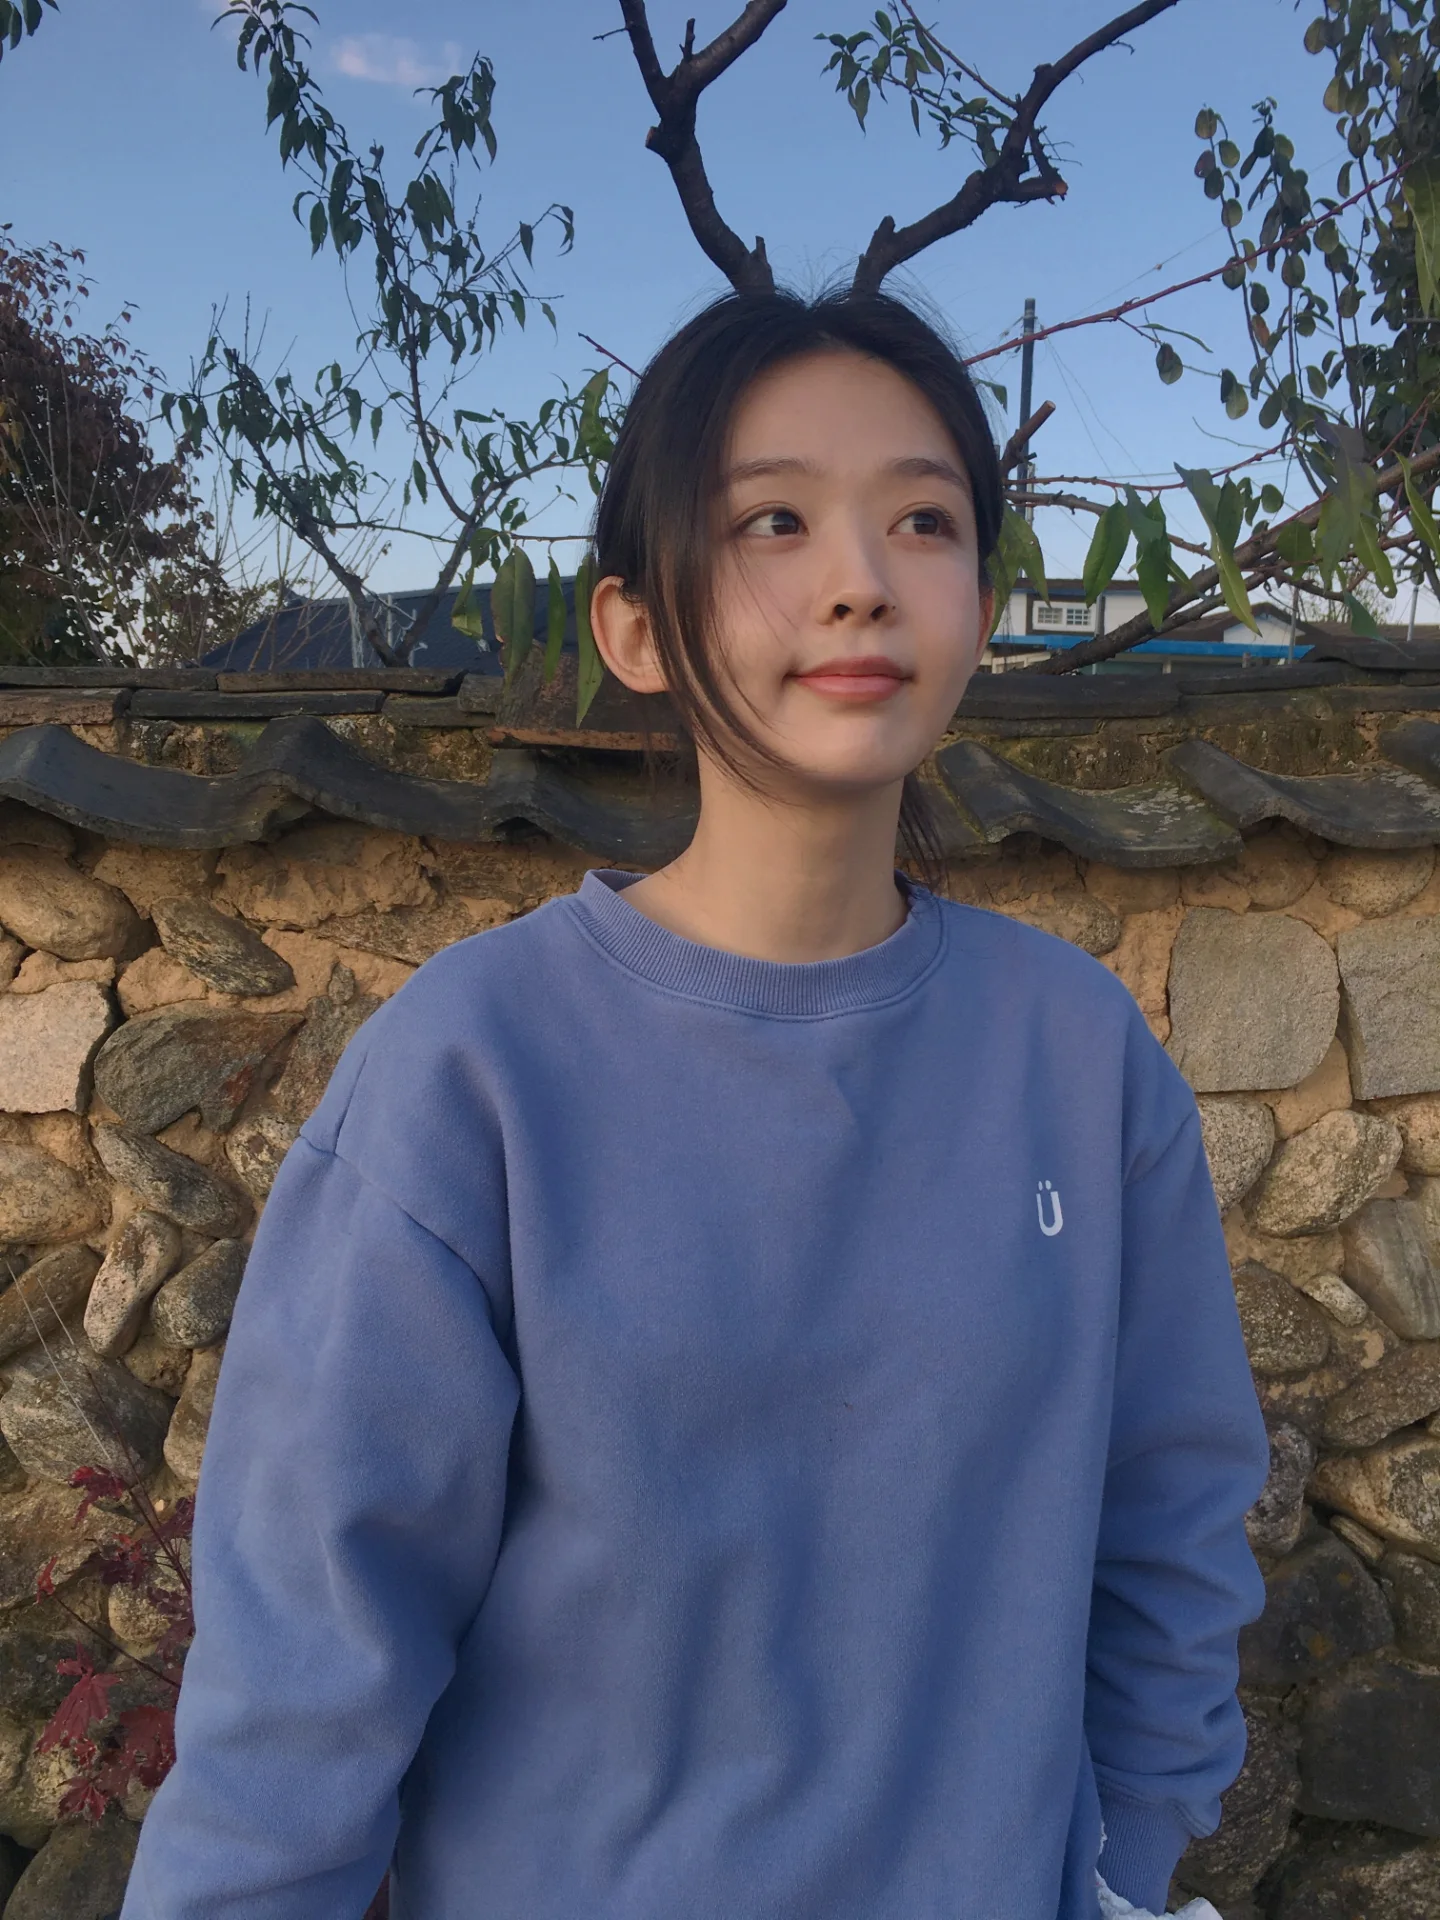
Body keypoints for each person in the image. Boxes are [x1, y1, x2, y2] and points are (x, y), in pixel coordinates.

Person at [120, 289, 1269, 1920]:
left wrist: (1127, 1861)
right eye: (772, 522)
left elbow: (1172, 1530)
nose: (860, 578)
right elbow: (302, 1680)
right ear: (636, 629)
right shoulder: (471, 1075)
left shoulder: (1080, 1062)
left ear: (979, 604)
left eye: (924, 520)